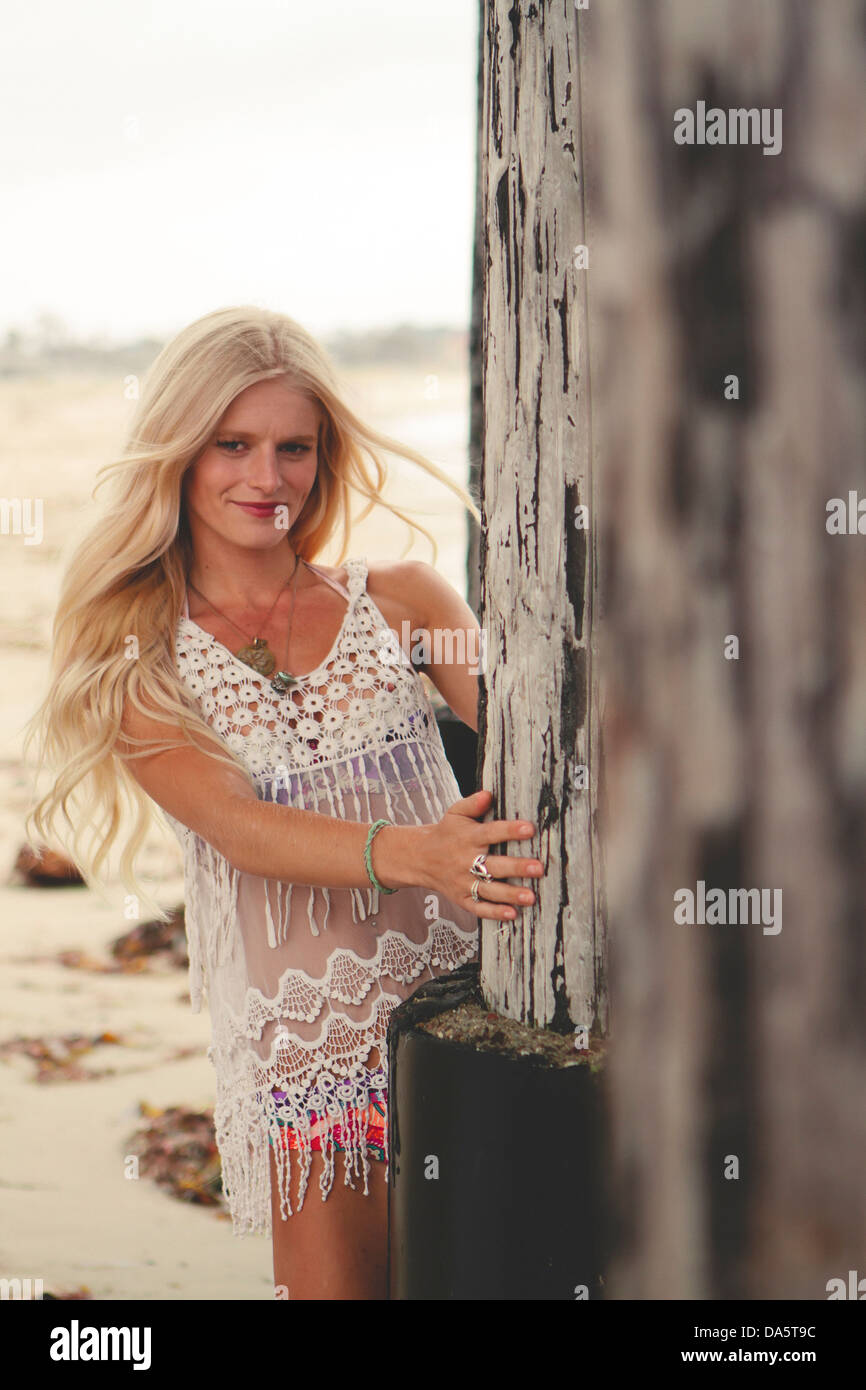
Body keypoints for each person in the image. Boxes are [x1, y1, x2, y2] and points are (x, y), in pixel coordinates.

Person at [24, 305, 544, 1300]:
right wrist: (417, 852)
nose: (266, 480)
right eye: (233, 445)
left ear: (323, 455)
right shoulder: (141, 661)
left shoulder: (402, 602)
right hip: (312, 1048)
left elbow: (538, 752)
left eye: (292, 448)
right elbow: (237, 826)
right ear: (179, 451)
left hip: (470, 1000)